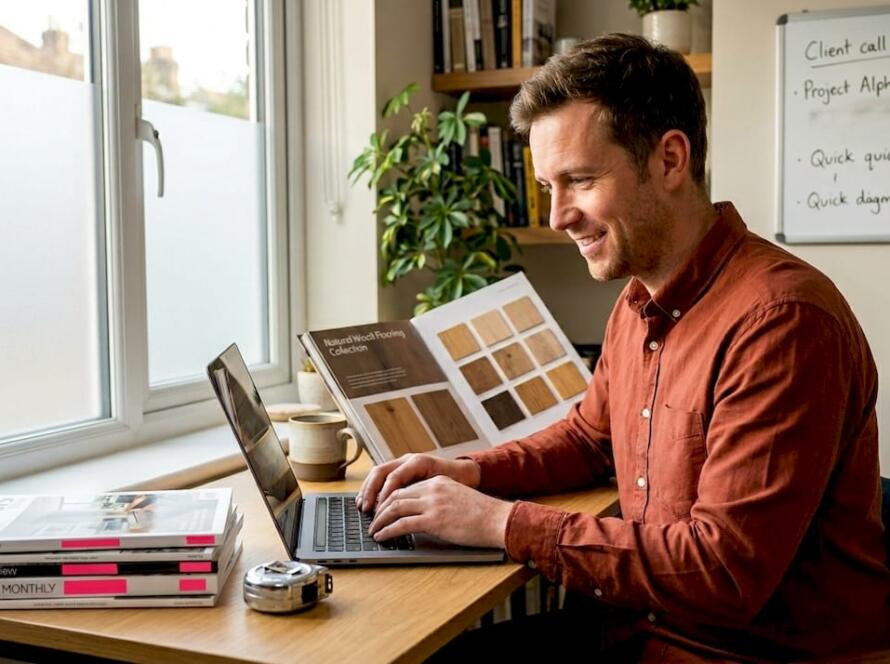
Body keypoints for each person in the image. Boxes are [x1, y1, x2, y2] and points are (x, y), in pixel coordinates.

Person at [357, 34, 890, 661]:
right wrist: (471, 471)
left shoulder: (784, 322)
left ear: (669, 160)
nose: (557, 216)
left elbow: (723, 572)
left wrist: (497, 522)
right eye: (547, 186)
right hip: (639, 630)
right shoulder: (640, 299)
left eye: (579, 180)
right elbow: (589, 438)